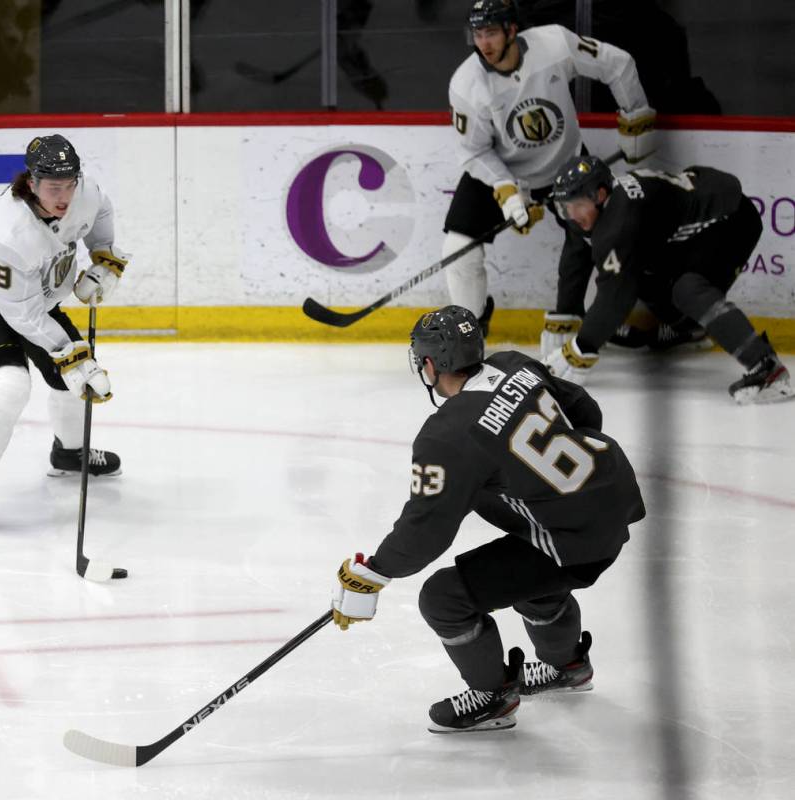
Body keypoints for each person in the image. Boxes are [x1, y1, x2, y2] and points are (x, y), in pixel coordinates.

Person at [331, 305, 645, 733]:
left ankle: (492, 697)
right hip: (612, 494)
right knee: (534, 583)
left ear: (430, 363)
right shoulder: (515, 364)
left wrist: (374, 574)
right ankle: (567, 665)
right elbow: (585, 410)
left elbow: (428, 528)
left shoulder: (447, 433)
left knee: (444, 599)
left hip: (574, 536)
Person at [0, 134, 130, 530]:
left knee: (71, 380)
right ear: (32, 183)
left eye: (69, 184)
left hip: (38, 301)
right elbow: (22, 314)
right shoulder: (11, 233)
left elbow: (100, 211)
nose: (64, 197)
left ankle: (69, 453)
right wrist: (71, 354)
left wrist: (104, 256)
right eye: (53, 187)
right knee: (10, 386)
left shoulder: (84, 191)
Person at [444, 0, 655, 337]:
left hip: (567, 166)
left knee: (609, 238)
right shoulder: (466, 84)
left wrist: (636, 118)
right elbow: (474, 152)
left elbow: (618, 64)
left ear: (513, 30)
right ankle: (470, 329)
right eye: (478, 34)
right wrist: (508, 191)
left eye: (492, 33)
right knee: (457, 248)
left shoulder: (554, 44)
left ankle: (607, 318)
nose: (484, 43)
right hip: (505, 169)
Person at [541, 154, 794, 405]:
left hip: (730, 219)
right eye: (566, 207)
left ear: (600, 195)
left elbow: (616, 295)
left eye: (576, 205)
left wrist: (582, 347)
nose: (571, 214)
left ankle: (768, 368)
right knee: (644, 269)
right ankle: (689, 329)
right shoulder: (594, 211)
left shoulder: (621, 219)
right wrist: (566, 314)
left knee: (688, 289)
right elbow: (576, 252)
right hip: (684, 221)